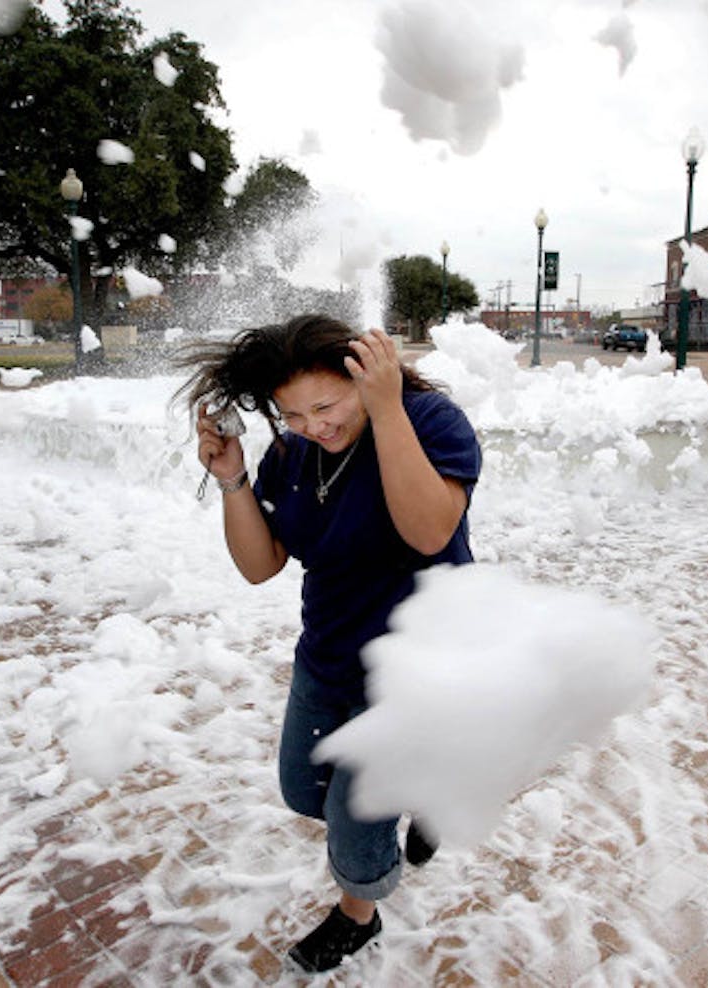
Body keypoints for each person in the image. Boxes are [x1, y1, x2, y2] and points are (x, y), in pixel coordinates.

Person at [177, 314, 482, 973]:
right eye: (291, 413)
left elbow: (430, 532)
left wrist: (386, 406)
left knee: (354, 817)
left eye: (325, 404)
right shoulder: (290, 456)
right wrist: (231, 477)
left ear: (363, 378)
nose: (312, 424)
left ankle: (358, 915)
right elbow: (261, 565)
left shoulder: (429, 421)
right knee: (301, 788)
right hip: (330, 653)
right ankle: (428, 784)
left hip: (416, 666)